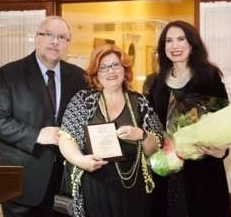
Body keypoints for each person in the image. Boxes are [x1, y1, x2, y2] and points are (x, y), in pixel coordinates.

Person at [0, 16, 87, 217]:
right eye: (48, 34)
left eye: (62, 37)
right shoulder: (9, 73)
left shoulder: (79, 77)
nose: (55, 41)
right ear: (36, 38)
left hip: (64, 184)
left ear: (67, 44)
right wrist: (38, 135)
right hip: (22, 183)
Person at [58, 44, 163, 217]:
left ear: (125, 69)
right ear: (96, 74)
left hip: (133, 187)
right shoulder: (83, 100)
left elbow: (155, 146)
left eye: (115, 65)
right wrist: (80, 159)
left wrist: (142, 135)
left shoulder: (139, 102)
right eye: (103, 67)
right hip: (94, 187)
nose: (110, 71)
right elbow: (65, 137)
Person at [147, 20, 231, 217]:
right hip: (166, 171)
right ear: (163, 47)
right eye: (169, 41)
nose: (175, 45)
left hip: (203, 171)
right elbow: (150, 123)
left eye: (180, 39)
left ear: (192, 44)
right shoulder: (156, 82)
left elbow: (224, 121)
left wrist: (222, 151)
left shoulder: (209, 76)